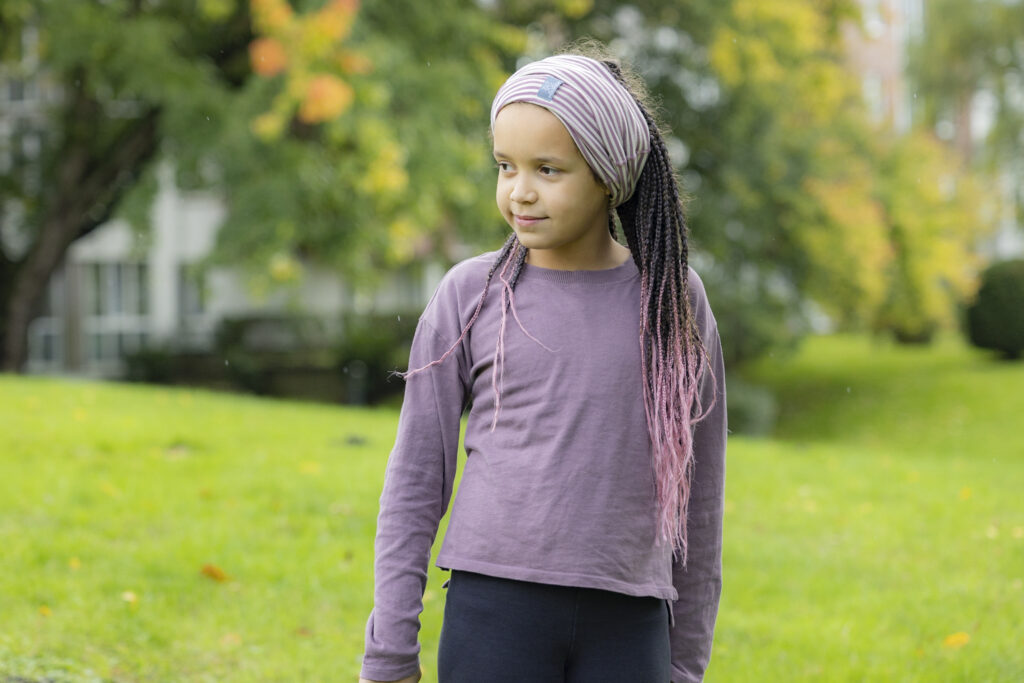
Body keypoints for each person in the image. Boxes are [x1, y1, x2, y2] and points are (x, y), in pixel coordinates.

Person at [359, 45, 727, 683]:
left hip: (631, 620)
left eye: (548, 170)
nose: (519, 191)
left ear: (608, 176)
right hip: (493, 613)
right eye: (505, 166)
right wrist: (390, 652)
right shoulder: (468, 296)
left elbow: (699, 502)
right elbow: (416, 482)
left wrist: (686, 665)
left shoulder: (673, 301)